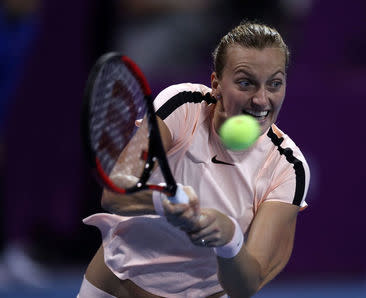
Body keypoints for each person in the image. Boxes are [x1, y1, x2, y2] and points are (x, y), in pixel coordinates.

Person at [79, 21, 310, 297]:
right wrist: (163, 203)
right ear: (216, 84)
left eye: (274, 83)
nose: (261, 100)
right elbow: (113, 193)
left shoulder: (288, 167)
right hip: (114, 287)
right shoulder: (183, 105)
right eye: (245, 83)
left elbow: (246, 285)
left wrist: (230, 240)